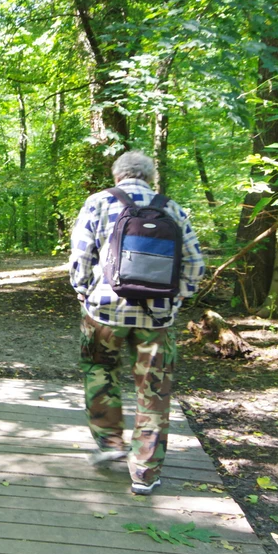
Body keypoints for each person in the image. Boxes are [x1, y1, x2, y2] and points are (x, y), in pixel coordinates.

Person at [69, 150, 205, 495]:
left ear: (118, 176)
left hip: (104, 312)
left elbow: (81, 256)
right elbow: (194, 262)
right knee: (154, 390)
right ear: (150, 177)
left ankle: (110, 443)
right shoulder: (171, 207)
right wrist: (177, 299)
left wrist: (85, 293)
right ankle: (144, 471)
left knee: (99, 371)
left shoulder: (99, 202)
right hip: (157, 317)